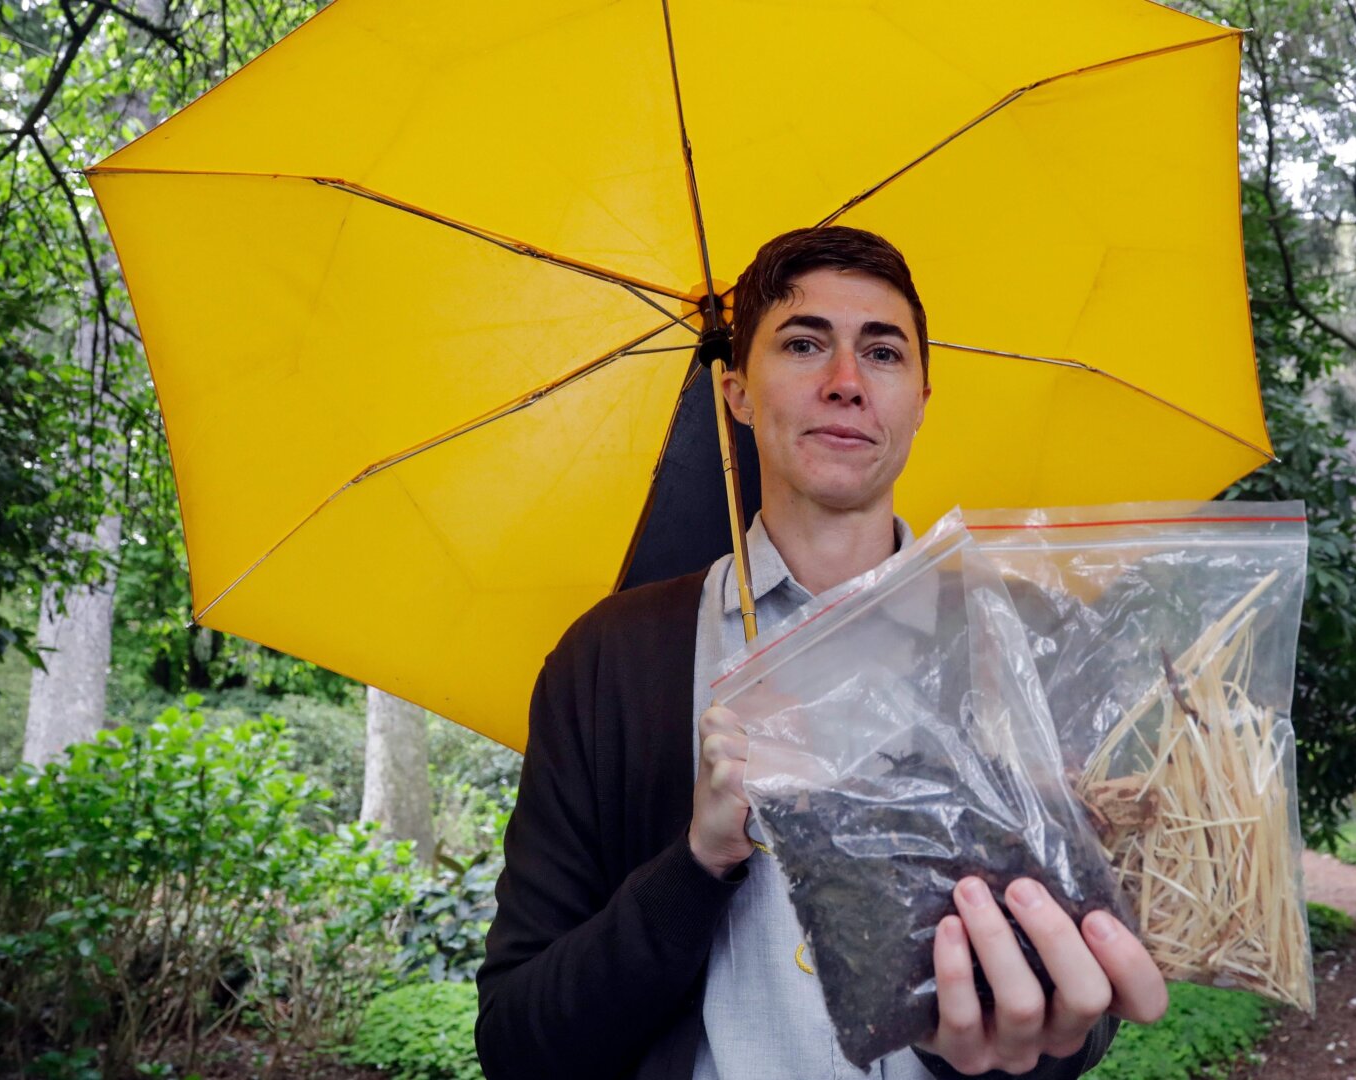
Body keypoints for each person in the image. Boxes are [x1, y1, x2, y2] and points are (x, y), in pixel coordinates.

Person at [475, 227, 1169, 1080]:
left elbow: (1077, 1023)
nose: (845, 383)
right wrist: (697, 862)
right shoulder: (609, 662)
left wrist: (978, 1030)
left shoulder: (1027, 643)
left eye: (882, 353)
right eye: (804, 345)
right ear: (734, 391)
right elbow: (517, 1044)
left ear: (920, 397)